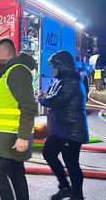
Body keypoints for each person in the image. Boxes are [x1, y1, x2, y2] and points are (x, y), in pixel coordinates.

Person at [0, 38, 37, 200]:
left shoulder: (17, 71)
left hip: (11, 136)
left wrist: (23, 136)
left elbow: (28, 106)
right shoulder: (10, 71)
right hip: (9, 134)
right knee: (16, 173)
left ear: (7, 52)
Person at [38, 50, 89, 200]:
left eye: (54, 66)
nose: (52, 69)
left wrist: (41, 98)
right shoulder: (62, 80)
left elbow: (57, 101)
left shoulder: (71, 81)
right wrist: (44, 96)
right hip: (61, 130)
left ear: (62, 66)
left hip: (71, 131)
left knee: (72, 164)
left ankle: (77, 196)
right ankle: (65, 187)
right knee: (48, 153)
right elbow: (54, 97)